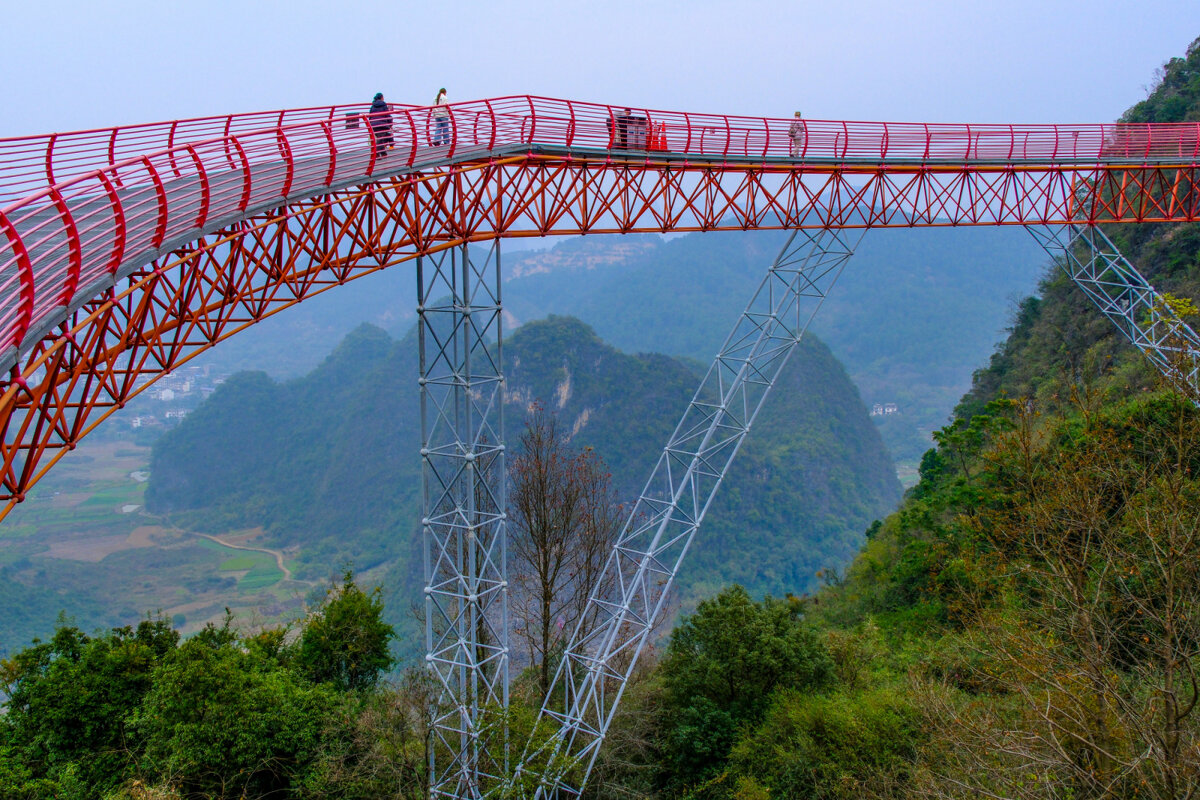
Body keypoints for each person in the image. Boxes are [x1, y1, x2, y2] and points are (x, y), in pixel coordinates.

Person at [369, 92, 393, 157]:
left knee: (380, 138)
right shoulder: (384, 105)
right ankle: (376, 153)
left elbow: (370, 116)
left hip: (373, 125)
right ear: (382, 97)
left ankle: (383, 154)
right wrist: (390, 123)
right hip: (382, 125)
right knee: (381, 138)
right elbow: (387, 115)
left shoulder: (372, 106)